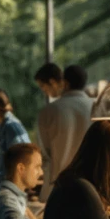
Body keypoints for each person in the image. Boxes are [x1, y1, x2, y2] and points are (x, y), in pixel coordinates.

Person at [36, 64, 93, 202]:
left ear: (64, 83)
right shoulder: (98, 108)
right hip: (93, 188)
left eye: (43, 87)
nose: (45, 92)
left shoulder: (49, 111)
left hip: (59, 189)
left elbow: (43, 154)